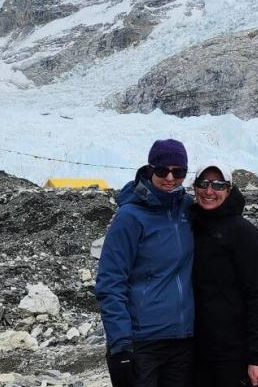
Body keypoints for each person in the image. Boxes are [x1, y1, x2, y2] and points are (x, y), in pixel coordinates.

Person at [95, 138, 195, 387]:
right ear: (150, 169)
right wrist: (120, 345)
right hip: (143, 342)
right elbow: (110, 282)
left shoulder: (187, 209)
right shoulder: (130, 217)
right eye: (162, 170)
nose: (170, 178)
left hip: (183, 340)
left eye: (178, 172)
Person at [191, 161, 258, 386]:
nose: (209, 191)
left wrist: (257, 358)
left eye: (218, 185)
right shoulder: (191, 225)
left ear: (228, 189)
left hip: (233, 353)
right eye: (203, 183)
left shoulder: (245, 235)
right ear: (194, 186)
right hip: (195, 350)